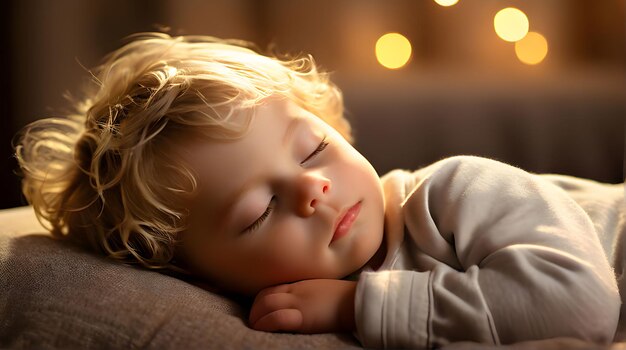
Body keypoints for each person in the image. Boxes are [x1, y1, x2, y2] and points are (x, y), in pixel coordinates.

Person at [15, 32, 623, 348]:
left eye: (312, 148)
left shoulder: (452, 194)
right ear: (204, 280)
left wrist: (354, 307)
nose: (311, 187)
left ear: (334, 124)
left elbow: (582, 306)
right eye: (258, 211)